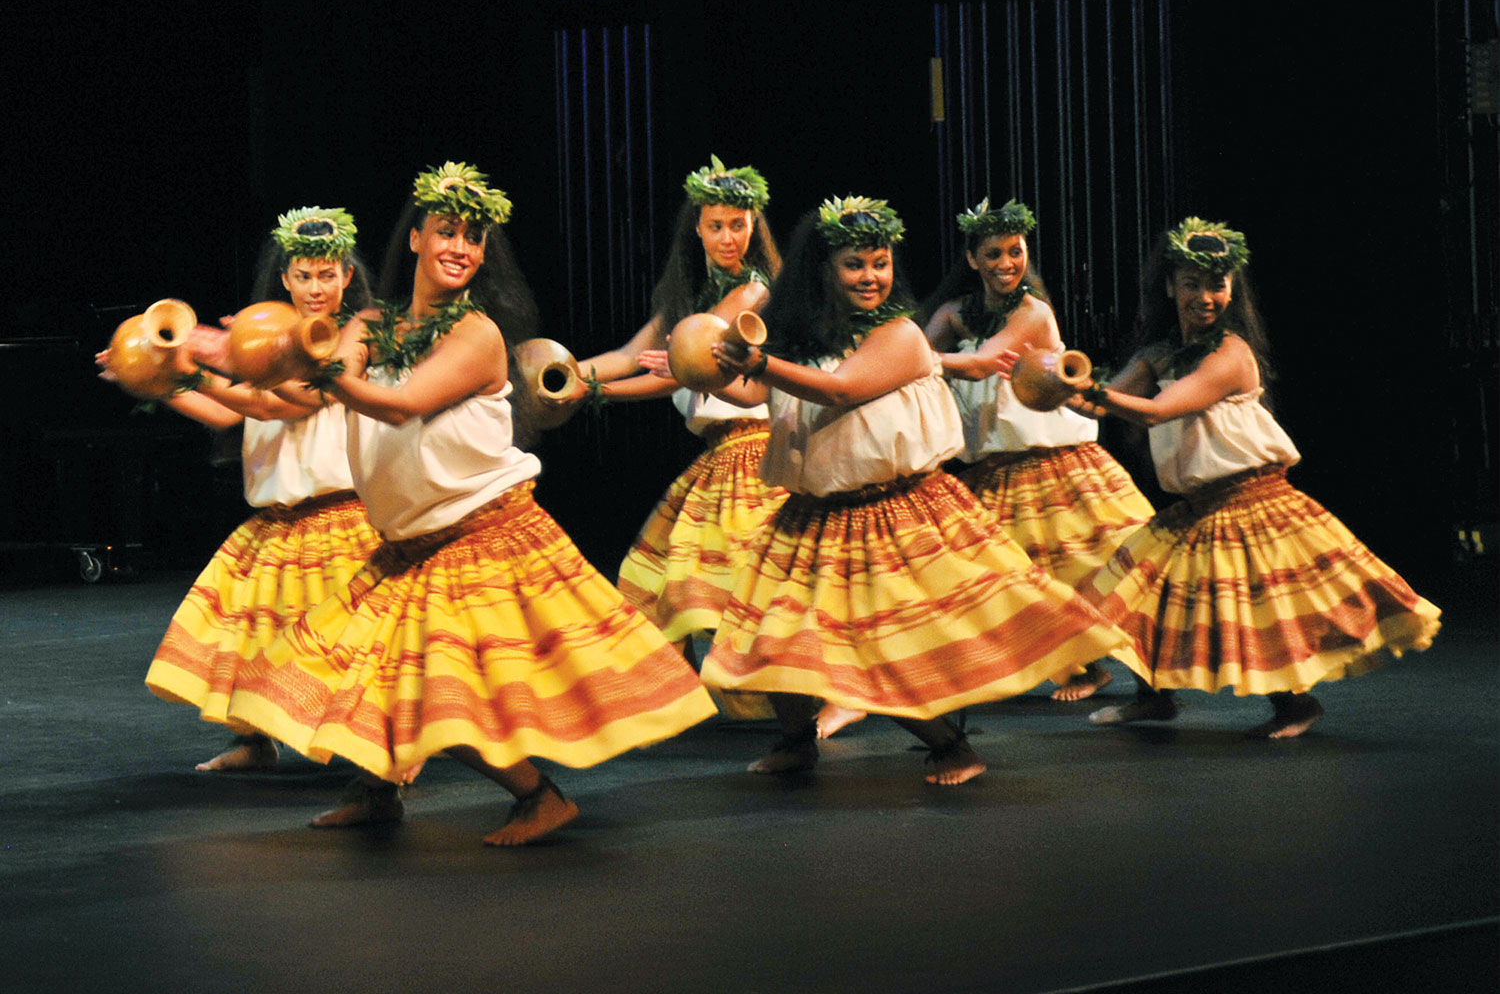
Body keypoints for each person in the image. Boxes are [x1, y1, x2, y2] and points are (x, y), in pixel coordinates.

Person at [224, 162, 717, 844]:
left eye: (474, 236)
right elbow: (307, 396)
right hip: (412, 544)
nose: (460, 245)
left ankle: (539, 796)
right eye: (447, 231)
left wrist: (318, 367)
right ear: (418, 239)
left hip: (482, 536)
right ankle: (376, 791)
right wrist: (213, 361)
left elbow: (400, 405)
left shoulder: (477, 334)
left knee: (436, 691)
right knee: (371, 673)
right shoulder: (371, 322)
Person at [700, 196, 1139, 785]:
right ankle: (796, 738)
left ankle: (952, 746)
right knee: (772, 634)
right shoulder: (802, 338)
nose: (871, 277)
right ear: (824, 271)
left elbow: (840, 390)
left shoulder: (899, 335)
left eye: (880, 263)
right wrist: (715, 371)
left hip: (888, 511)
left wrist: (757, 360)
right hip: (812, 513)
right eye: (855, 264)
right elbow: (761, 397)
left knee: (883, 642)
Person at [1051, 216, 1441, 737]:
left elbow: (1155, 412)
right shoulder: (1159, 354)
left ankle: (1296, 706)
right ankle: (1153, 698)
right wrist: (1057, 385)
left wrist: (1095, 393)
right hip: (1198, 505)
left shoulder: (1231, 355)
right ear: (1170, 287)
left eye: (1217, 284)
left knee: (1260, 609)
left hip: (1250, 501)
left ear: (1232, 289)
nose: (1206, 297)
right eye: (1192, 284)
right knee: (1139, 595)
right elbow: (1097, 409)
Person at [121, 206, 383, 772]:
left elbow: (286, 404)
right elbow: (224, 414)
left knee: (352, 647)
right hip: (274, 520)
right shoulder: (259, 334)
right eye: (304, 275)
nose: (316, 287)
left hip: (340, 516)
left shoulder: (354, 338)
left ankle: (380, 756)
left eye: (328, 274)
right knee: (246, 636)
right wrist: (152, 377)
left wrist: (199, 367)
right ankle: (254, 741)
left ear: (347, 277)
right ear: (285, 278)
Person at [575, 157, 786, 720]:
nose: (726, 237)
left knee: (739, 583)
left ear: (754, 225)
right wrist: (565, 375)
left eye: (738, 224)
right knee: (679, 582)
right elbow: (626, 356)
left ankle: (798, 692)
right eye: (715, 225)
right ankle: (756, 696)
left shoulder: (752, 292)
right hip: (718, 456)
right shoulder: (687, 300)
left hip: (756, 453)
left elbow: (672, 368)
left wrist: (594, 394)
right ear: (697, 228)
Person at [921, 198, 1154, 704]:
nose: (1006, 264)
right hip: (994, 473)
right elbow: (923, 352)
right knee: (1008, 580)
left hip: (1057, 465)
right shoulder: (954, 314)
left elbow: (981, 364)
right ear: (972, 260)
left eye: (1015, 251)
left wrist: (901, 357)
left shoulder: (1033, 313)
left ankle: (1149, 683)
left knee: (1098, 568)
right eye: (993, 254)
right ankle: (1080, 669)